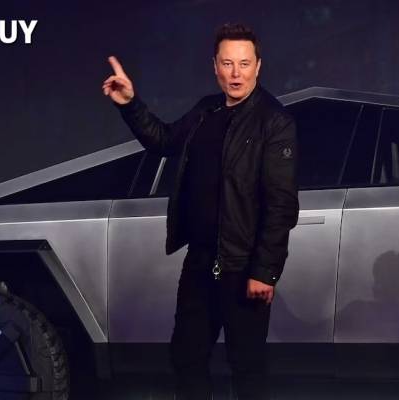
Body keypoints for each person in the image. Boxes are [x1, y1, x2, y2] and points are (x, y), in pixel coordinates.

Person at [102, 23, 299, 400]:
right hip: (200, 260)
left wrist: (265, 272)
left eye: (244, 64)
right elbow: (163, 141)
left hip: (244, 266)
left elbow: (281, 205)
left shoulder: (275, 122)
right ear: (215, 66)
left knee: (247, 368)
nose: (236, 73)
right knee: (186, 358)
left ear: (258, 66)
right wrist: (129, 103)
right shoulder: (206, 110)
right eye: (228, 63)